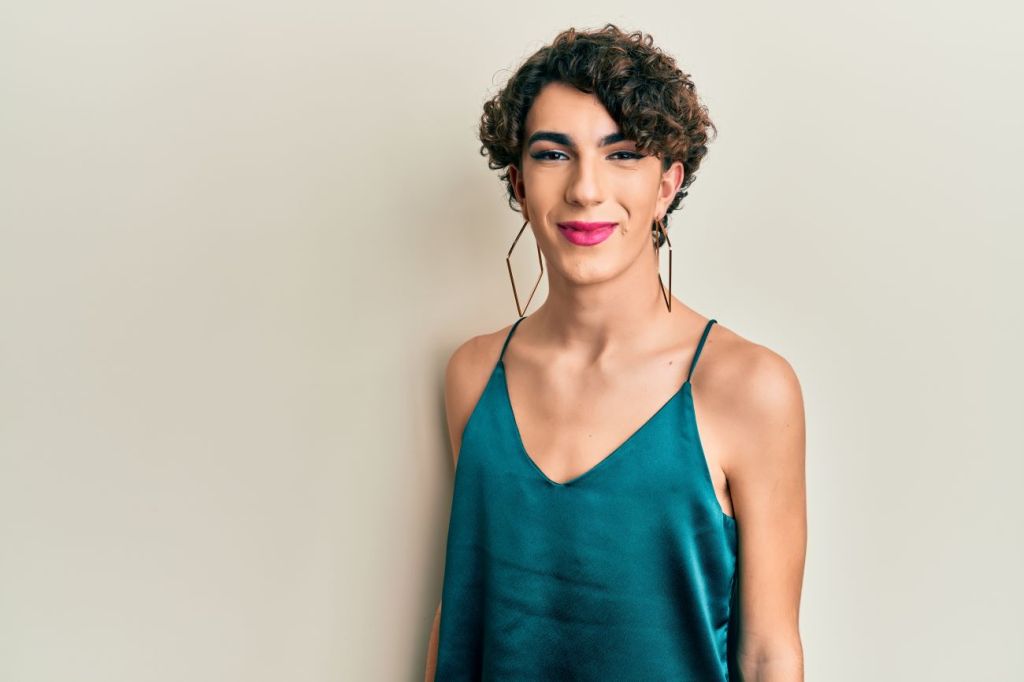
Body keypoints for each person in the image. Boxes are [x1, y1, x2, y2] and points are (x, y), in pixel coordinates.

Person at [425, 24, 806, 681]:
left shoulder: (749, 387)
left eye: (623, 153)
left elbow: (769, 652)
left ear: (667, 185)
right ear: (518, 184)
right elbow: (459, 615)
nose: (586, 190)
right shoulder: (472, 375)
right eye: (553, 154)